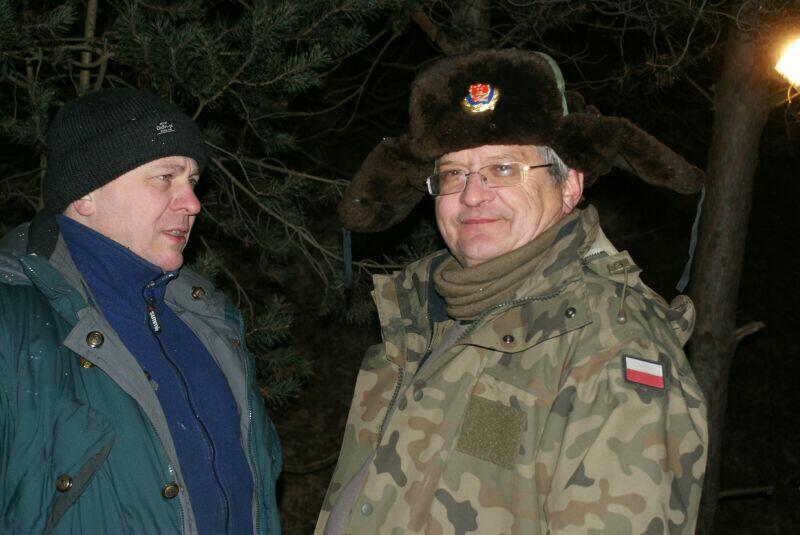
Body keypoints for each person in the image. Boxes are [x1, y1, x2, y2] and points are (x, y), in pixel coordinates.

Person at [316, 49, 708, 534]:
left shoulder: (612, 347)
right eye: (453, 173)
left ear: (570, 186)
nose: (472, 194)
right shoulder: (418, 320)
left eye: (503, 169)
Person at [0, 89, 281, 534]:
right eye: (165, 177)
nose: (192, 203)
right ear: (86, 194)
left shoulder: (209, 318)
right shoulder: (13, 321)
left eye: (192, 181)